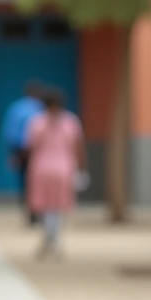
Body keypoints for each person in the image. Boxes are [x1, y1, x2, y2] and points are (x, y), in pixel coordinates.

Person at [24, 87, 87, 259]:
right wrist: (82, 168)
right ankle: (54, 238)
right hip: (63, 167)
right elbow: (78, 147)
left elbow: (30, 146)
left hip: (41, 167)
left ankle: (49, 238)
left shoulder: (36, 122)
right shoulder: (70, 121)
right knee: (58, 206)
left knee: (45, 206)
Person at [2, 80, 45, 225]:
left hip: (21, 150)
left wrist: (13, 153)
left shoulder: (16, 108)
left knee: (25, 181)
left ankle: (29, 210)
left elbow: (11, 132)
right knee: (39, 181)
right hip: (40, 151)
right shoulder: (42, 108)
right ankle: (39, 209)